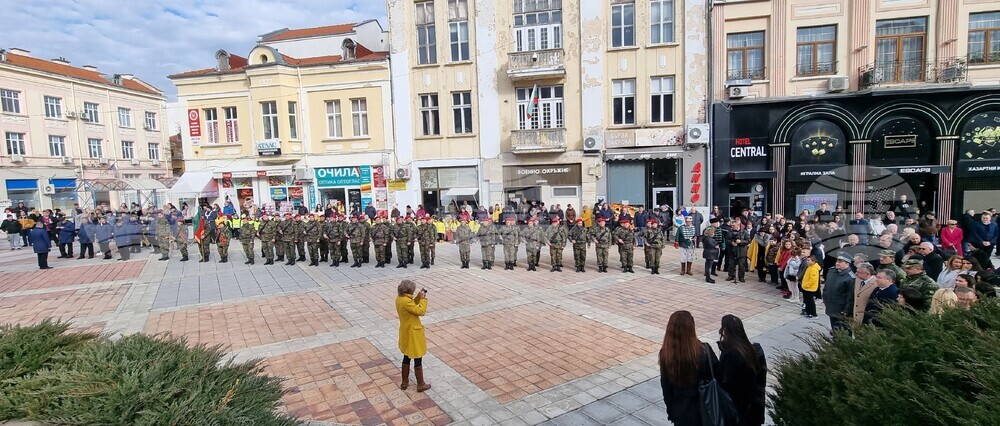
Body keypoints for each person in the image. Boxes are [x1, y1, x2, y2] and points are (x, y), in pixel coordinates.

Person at [659, 310, 719, 426]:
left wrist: (671, 410)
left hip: (680, 410)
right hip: (704, 408)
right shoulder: (704, 350)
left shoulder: (665, 354)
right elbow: (717, 375)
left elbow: (666, 387)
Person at [717, 315, 766, 426]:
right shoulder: (749, 349)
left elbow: (727, 383)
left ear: (726, 331)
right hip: (751, 407)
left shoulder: (732, 355)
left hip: (738, 409)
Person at [396, 279, 431, 392]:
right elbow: (420, 311)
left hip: (405, 331)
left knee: (406, 356)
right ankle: (420, 384)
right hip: (413, 333)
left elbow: (412, 306)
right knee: (417, 357)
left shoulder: (400, 299)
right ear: (409, 291)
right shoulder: (407, 302)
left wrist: (417, 297)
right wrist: (423, 299)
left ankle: (404, 382)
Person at [823, 253, 855, 331]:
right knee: (834, 326)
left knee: (843, 328)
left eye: (840, 262)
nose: (837, 263)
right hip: (831, 305)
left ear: (847, 264)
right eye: (837, 261)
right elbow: (827, 286)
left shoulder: (850, 277)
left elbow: (850, 296)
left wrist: (847, 310)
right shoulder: (831, 271)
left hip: (841, 308)